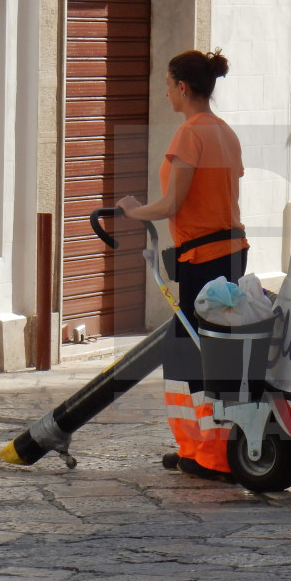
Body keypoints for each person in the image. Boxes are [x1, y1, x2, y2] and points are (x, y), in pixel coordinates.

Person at [116, 49, 249, 482]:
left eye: (169, 83)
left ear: (183, 87)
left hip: (202, 259)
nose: (166, 91)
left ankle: (203, 454)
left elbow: (174, 202)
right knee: (215, 352)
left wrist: (133, 211)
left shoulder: (190, 135)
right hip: (230, 252)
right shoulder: (225, 133)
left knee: (188, 356)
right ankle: (209, 449)